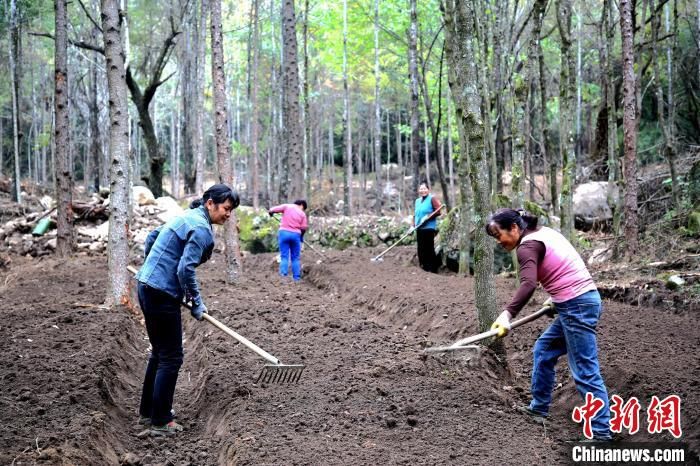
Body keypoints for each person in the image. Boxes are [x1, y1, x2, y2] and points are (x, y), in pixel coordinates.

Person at [486, 208, 611, 441]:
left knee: (584, 369)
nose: (498, 242)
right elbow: (565, 265)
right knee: (544, 349)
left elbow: (528, 284)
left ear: (513, 228)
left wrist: (506, 315)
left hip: (577, 306)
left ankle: (601, 433)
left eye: (498, 235)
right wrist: (556, 296)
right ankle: (539, 408)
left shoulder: (527, 246)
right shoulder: (543, 233)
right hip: (575, 302)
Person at [135, 184, 239, 434]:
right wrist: (196, 300)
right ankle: (160, 421)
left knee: (159, 353)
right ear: (210, 203)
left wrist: (154, 269)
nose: (228, 214)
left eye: (231, 210)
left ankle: (148, 412)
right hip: (161, 293)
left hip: (146, 285)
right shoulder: (202, 229)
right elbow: (185, 269)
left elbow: (152, 237)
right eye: (226, 208)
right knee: (171, 357)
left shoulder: (185, 217)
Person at [268, 200, 308, 282]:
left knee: (284, 257)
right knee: (295, 258)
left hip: (283, 233)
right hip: (296, 235)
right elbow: (303, 228)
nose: (302, 209)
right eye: (303, 208)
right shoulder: (302, 214)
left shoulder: (287, 206)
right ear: (301, 205)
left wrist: (271, 213)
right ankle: (296, 278)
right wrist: (301, 238)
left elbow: (272, 210)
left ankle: (283, 276)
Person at [414, 182, 442, 273]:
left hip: (429, 228)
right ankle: (423, 268)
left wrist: (428, 217)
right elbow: (415, 215)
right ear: (419, 191)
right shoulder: (417, 201)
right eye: (421, 189)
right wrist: (412, 226)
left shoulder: (432, 199)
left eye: (424, 189)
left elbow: (438, 211)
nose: (423, 190)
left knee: (428, 248)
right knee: (420, 248)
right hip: (419, 227)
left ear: (428, 190)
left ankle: (432, 269)